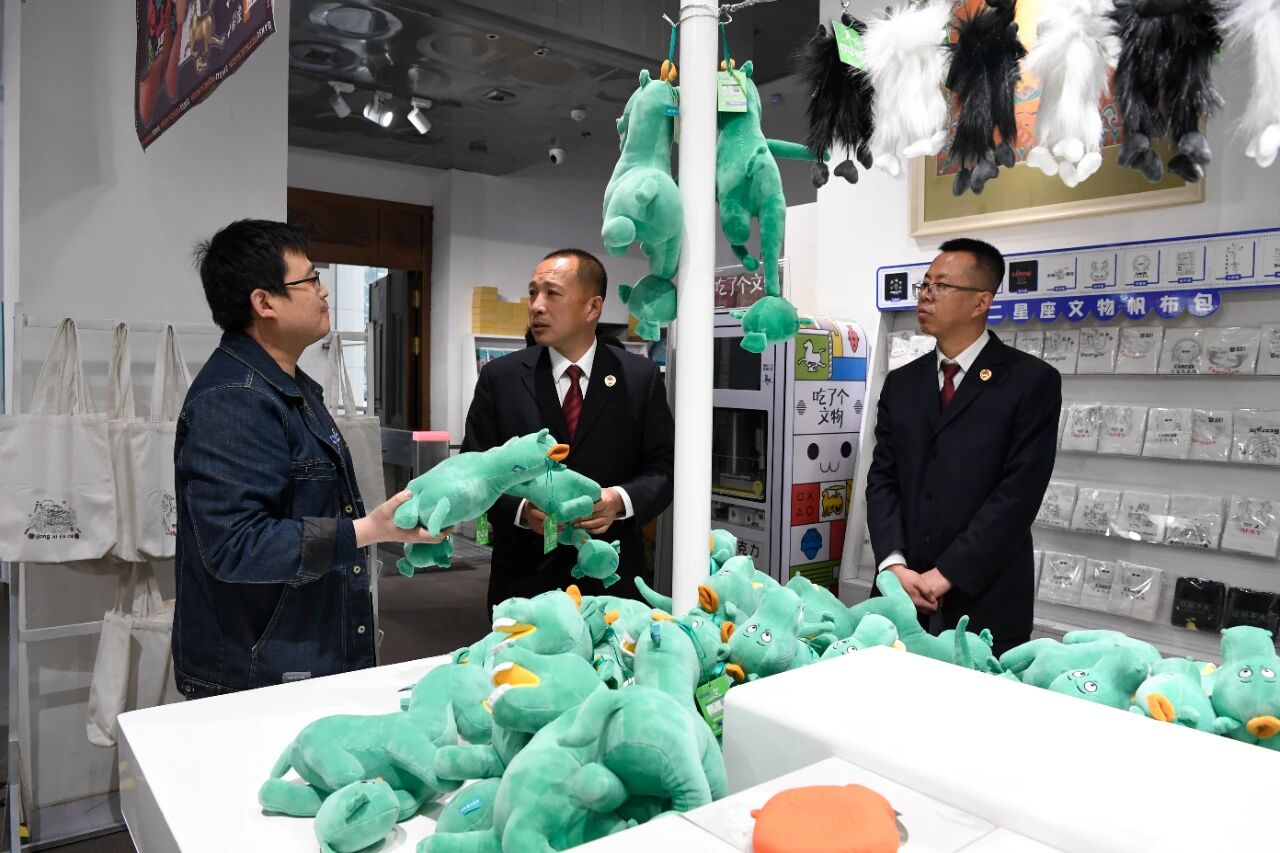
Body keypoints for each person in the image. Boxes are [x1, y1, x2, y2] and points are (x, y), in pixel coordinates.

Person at [173, 220, 446, 699]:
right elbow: (236, 545)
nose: (323, 291)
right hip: (258, 672)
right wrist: (367, 530)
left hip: (298, 652)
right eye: (311, 279)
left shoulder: (289, 387)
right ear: (264, 302)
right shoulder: (236, 398)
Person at [865, 238, 1061, 655]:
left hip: (986, 599)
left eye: (941, 286)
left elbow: (1018, 495)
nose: (925, 295)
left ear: (981, 302)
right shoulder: (902, 383)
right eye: (924, 284)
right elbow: (882, 479)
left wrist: (945, 574)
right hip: (899, 595)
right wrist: (893, 565)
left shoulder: (1030, 382)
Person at [463, 249, 675, 608]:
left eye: (552, 293)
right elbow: (474, 472)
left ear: (592, 307)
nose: (536, 306)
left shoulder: (639, 379)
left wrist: (618, 501)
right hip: (524, 582)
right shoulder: (501, 378)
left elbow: (664, 469)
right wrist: (522, 511)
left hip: (611, 580)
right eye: (533, 293)